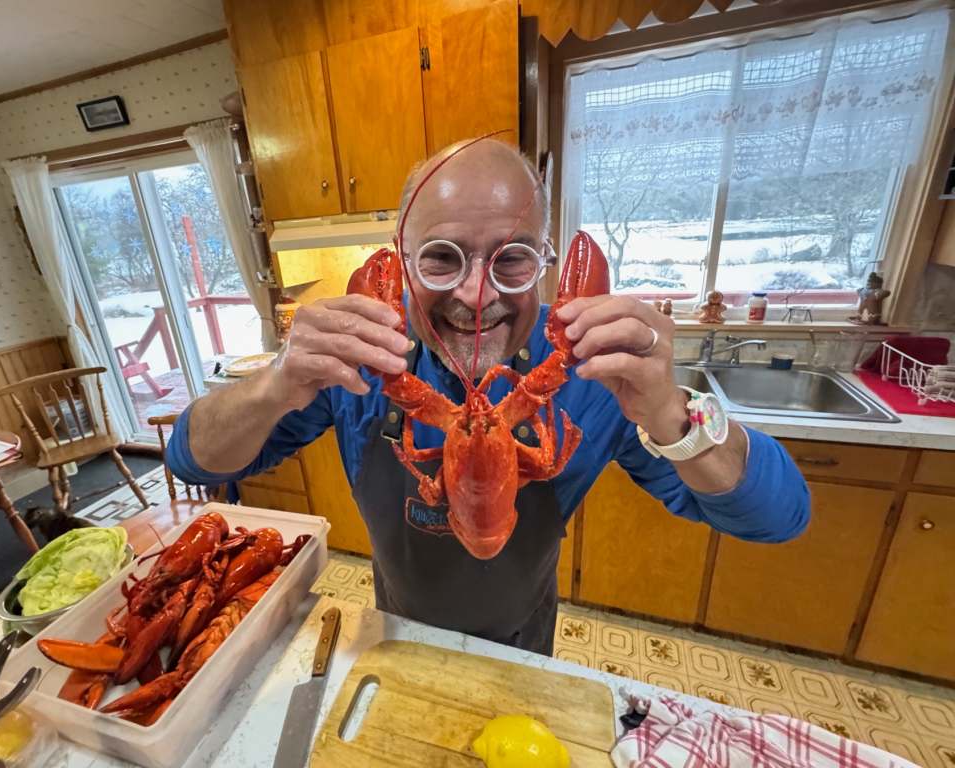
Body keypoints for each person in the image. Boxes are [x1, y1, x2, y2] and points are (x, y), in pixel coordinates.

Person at [167, 138, 809, 655]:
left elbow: (777, 518)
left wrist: (671, 413)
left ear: (545, 262)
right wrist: (278, 381)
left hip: (525, 637)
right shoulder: (360, 360)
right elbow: (190, 459)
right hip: (395, 632)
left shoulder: (591, 369)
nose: (478, 297)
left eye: (513, 259)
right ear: (402, 259)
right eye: (442, 259)